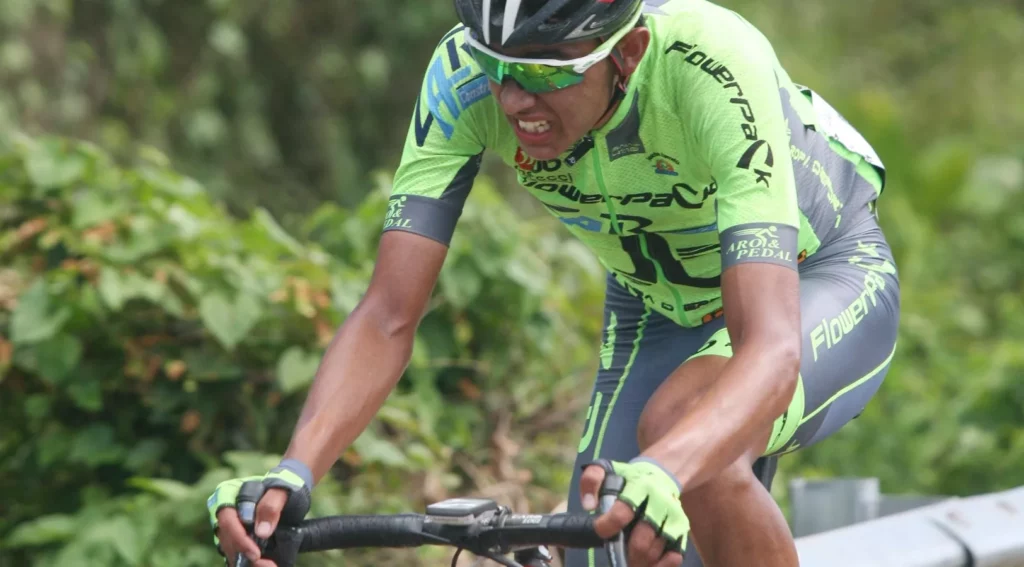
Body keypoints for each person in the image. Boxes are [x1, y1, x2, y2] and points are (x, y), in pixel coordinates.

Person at [206, 0, 901, 565]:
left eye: (545, 71)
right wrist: (293, 472)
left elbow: (770, 347)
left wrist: (669, 466)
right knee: (603, 534)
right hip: (654, 305)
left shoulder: (709, 63)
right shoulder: (459, 79)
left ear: (627, 54)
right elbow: (388, 314)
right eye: (497, 67)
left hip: (812, 276)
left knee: (688, 438)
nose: (513, 100)